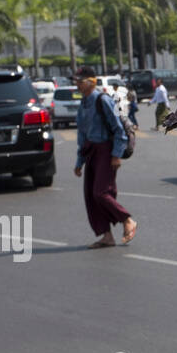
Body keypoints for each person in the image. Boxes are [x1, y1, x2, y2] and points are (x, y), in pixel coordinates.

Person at [74, 68, 137, 249]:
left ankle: (127, 220)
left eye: (80, 81)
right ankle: (106, 236)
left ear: (91, 82)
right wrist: (79, 162)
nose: (77, 84)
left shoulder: (103, 100)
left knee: (101, 192)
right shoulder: (83, 104)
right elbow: (82, 135)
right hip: (91, 151)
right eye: (76, 81)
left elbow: (118, 129)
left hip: (107, 151)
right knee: (90, 196)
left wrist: (116, 155)